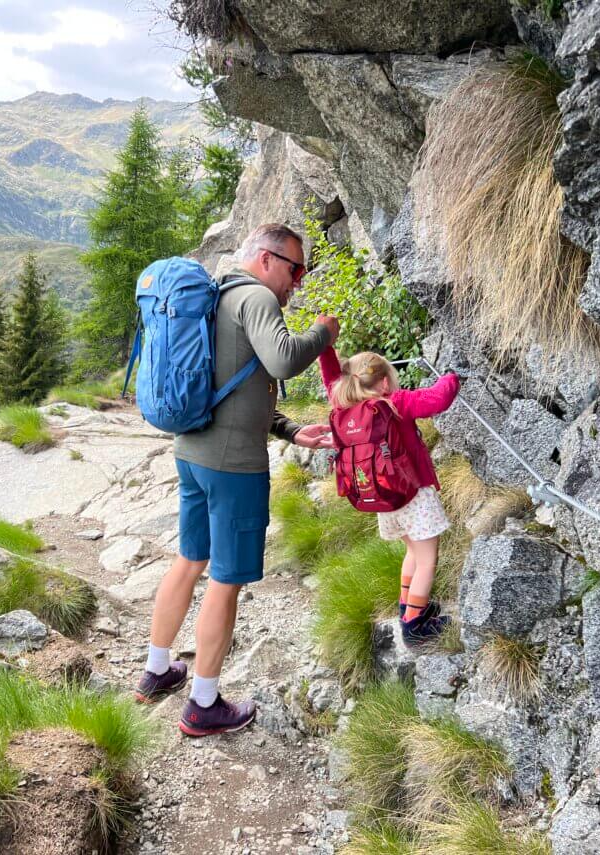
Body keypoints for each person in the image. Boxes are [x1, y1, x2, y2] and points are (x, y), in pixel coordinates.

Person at [135, 223, 340, 737]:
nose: (297, 282)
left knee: (189, 560)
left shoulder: (217, 296)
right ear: (268, 259)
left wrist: (292, 431)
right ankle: (204, 704)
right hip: (233, 468)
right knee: (225, 580)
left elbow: (236, 384)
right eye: (296, 269)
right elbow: (283, 359)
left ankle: (158, 670)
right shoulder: (257, 299)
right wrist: (324, 333)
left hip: (193, 452)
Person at [319, 347, 460, 644]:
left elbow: (331, 379)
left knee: (413, 551)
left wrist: (325, 346)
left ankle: (408, 606)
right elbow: (439, 398)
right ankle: (415, 626)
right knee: (426, 560)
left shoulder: (343, 407)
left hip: (385, 498)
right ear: (384, 382)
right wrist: (452, 375)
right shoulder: (395, 402)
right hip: (413, 494)